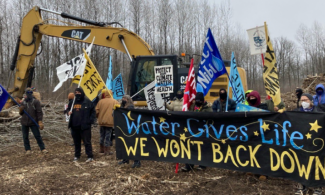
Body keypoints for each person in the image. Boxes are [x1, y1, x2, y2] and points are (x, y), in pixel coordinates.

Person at [294, 93, 322, 195]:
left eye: (305, 100)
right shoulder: (296, 112)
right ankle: (301, 187)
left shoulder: (319, 112)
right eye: (302, 100)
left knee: (315, 165)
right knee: (300, 164)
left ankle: (317, 188)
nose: (303, 102)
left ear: (311, 101)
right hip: (300, 143)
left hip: (315, 143)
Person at [181, 92, 212, 172]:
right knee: (190, 147)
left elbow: (210, 115)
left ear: (202, 100)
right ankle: (188, 165)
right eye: (196, 100)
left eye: (199, 101)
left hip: (203, 130)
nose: (198, 102)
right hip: (193, 130)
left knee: (202, 148)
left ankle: (202, 165)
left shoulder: (207, 107)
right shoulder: (192, 106)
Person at [67, 88, 95, 162]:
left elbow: (93, 112)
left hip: (85, 126)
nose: (77, 93)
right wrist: (68, 112)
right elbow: (67, 110)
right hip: (74, 126)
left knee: (87, 142)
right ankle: (77, 155)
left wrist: (90, 121)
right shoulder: (72, 102)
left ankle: (90, 156)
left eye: (79, 92)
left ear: (82, 93)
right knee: (76, 142)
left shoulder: (88, 102)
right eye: (76, 92)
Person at [19, 87, 47, 154]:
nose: (29, 94)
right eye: (27, 93)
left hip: (33, 121)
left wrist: (40, 121)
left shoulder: (36, 102)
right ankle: (27, 149)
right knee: (25, 136)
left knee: (37, 135)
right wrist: (20, 110)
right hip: (24, 122)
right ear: (25, 94)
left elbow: (39, 112)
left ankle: (42, 148)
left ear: (32, 93)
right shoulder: (23, 102)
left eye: (30, 93)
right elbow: (21, 114)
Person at [118, 95, 141, 168]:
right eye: (122, 98)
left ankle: (137, 161)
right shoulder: (123, 107)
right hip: (125, 128)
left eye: (124, 98)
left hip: (131, 129)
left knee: (133, 145)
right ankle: (125, 159)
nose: (123, 99)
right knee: (125, 144)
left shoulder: (130, 107)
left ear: (128, 100)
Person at [95, 89, 118, 155]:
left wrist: (99, 117)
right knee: (108, 136)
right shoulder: (115, 101)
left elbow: (97, 111)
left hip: (101, 121)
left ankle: (101, 149)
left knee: (102, 135)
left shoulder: (100, 101)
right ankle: (107, 150)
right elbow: (118, 110)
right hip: (110, 121)